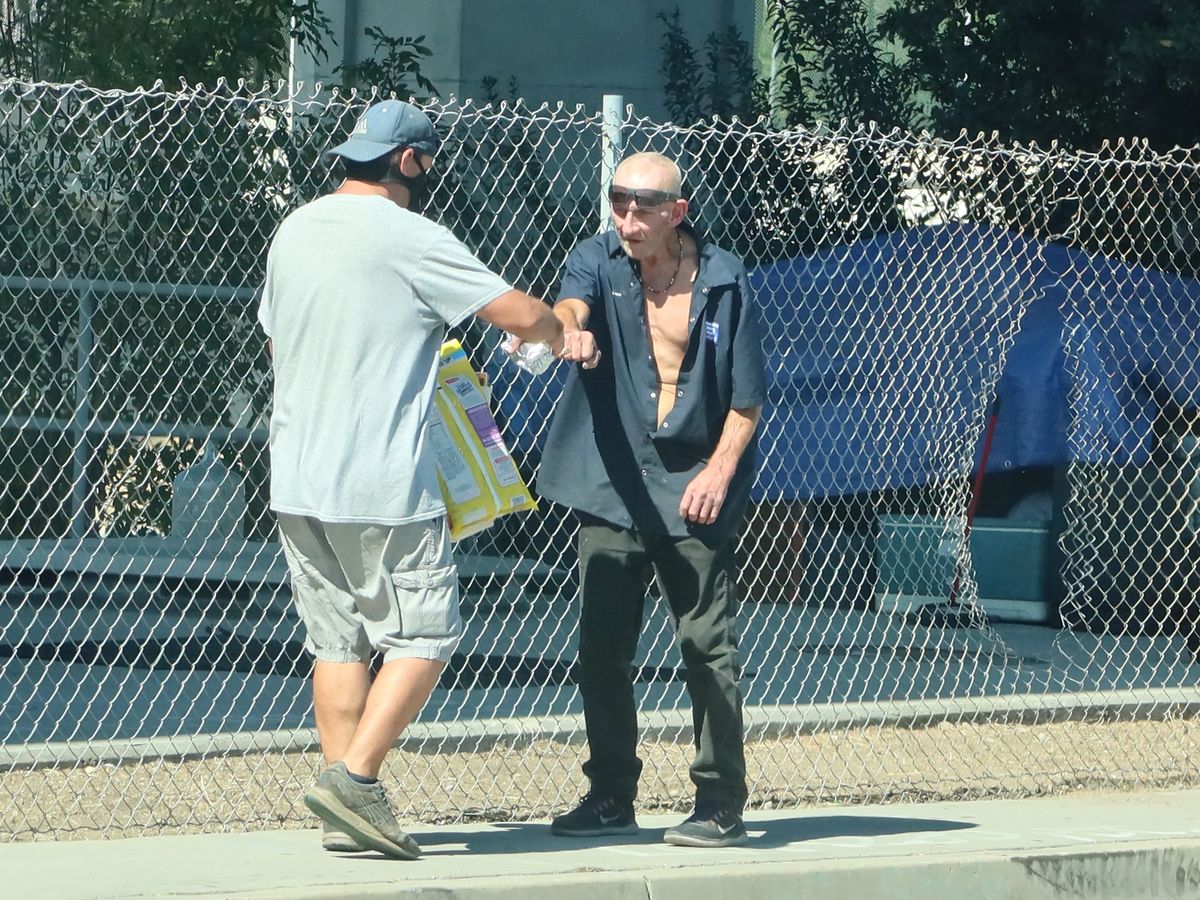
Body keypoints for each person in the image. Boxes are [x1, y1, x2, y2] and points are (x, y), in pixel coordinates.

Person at [257, 100, 564, 860]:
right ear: (409, 162)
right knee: (424, 637)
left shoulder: (295, 229)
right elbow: (519, 315)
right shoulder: (413, 236)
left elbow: (277, 335)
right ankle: (356, 782)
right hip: (383, 484)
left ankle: (343, 807)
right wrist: (561, 328)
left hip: (296, 476)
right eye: (427, 163)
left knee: (337, 645)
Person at [532, 151, 765, 848]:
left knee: (706, 647)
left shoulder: (722, 279)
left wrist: (718, 473)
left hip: (692, 483)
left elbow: (747, 400)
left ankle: (719, 801)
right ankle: (611, 794)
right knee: (601, 650)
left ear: (677, 213)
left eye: (643, 208)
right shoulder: (596, 260)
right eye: (619, 204)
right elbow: (570, 305)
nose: (628, 220)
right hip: (612, 484)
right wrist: (567, 329)